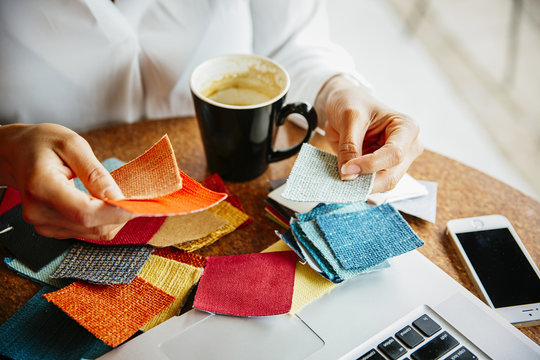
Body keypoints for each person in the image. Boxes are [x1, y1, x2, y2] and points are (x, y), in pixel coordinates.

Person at [0, 0, 422, 241]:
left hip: (235, 205)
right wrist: (7, 150)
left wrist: (339, 90)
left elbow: (293, 42)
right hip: (33, 219)